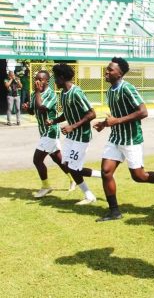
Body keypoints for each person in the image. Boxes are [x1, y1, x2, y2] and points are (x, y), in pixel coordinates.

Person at [93, 57, 154, 222]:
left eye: (110, 70)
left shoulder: (127, 88)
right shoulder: (110, 90)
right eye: (107, 69)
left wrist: (117, 121)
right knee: (106, 172)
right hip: (115, 138)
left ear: (120, 73)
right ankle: (114, 211)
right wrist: (105, 124)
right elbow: (117, 116)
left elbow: (143, 112)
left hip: (131, 139)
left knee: (139, 176)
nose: (106, 72)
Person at [47, 63, 100, 205]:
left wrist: (73, 126)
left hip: (82, 137)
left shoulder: (76, 92)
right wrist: (54, 121)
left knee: (73, 167)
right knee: (68, 165)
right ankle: (101, 176)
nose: (54, 81)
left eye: (56, 78)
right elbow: (67, 113)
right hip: (71, 137)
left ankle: (90, 194)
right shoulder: (63, 93)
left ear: (62, 77)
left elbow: (92, 113)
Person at [22, 70, 72, 198]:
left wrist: (38, 92)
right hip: (43, 131)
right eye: (36, 78)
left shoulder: (51, 94)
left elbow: (42, 107)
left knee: (37, 160)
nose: (37, 81)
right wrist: (27, 109)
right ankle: (74, 179)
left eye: (40, 79)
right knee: (58, 159)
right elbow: (34, 111)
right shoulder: (34, 94)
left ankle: (46, 186)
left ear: (46, 81)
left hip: (51, 131)